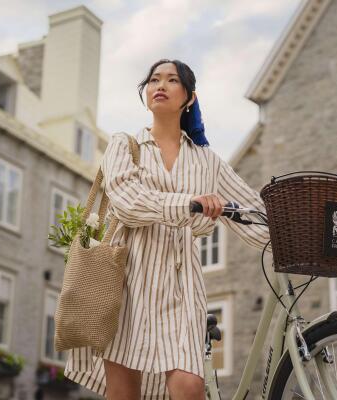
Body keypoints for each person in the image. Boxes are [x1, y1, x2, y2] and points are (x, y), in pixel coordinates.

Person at [64, 59, 270, 399]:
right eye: (154, 79)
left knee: (190, 386)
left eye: (172, 80)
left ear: (189, 97)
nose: (160, 85)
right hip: (127, 279)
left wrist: (296, 235)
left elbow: (252, 212)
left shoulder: (208, 161)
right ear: (146, 92)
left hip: (182, 285)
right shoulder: (124, 145)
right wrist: (188, 203)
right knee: (124, 391)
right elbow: (128, 202)